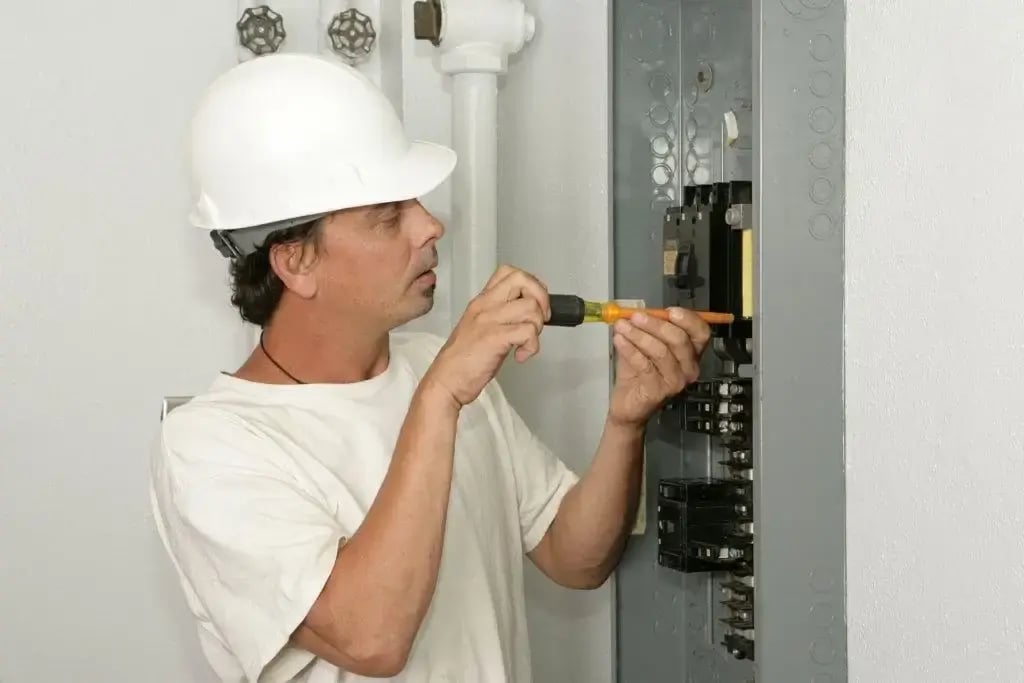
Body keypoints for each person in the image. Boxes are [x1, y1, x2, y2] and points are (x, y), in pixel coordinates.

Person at [150, 53, 710, 683]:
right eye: (388, 217)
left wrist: (625, 421)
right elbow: (370, 639)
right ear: (296, 263)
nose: (430, 224)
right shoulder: (213, 447)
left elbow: (572, 556)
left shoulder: (433, 367)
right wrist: (440, 395)